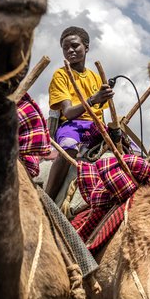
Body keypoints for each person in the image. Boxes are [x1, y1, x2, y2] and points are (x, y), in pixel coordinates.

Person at [45, 26, 114, 200]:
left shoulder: (95, 77)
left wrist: (103, 97)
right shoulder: (61, 75)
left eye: (75, 46)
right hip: (72, 126)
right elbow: (68, 113)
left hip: (96, 127)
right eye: (65, 48)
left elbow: (100, 112)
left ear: (86, 47)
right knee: (68, 147)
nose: (70, 50)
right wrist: (93, 99)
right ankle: (47, 199)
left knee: (130, 150)